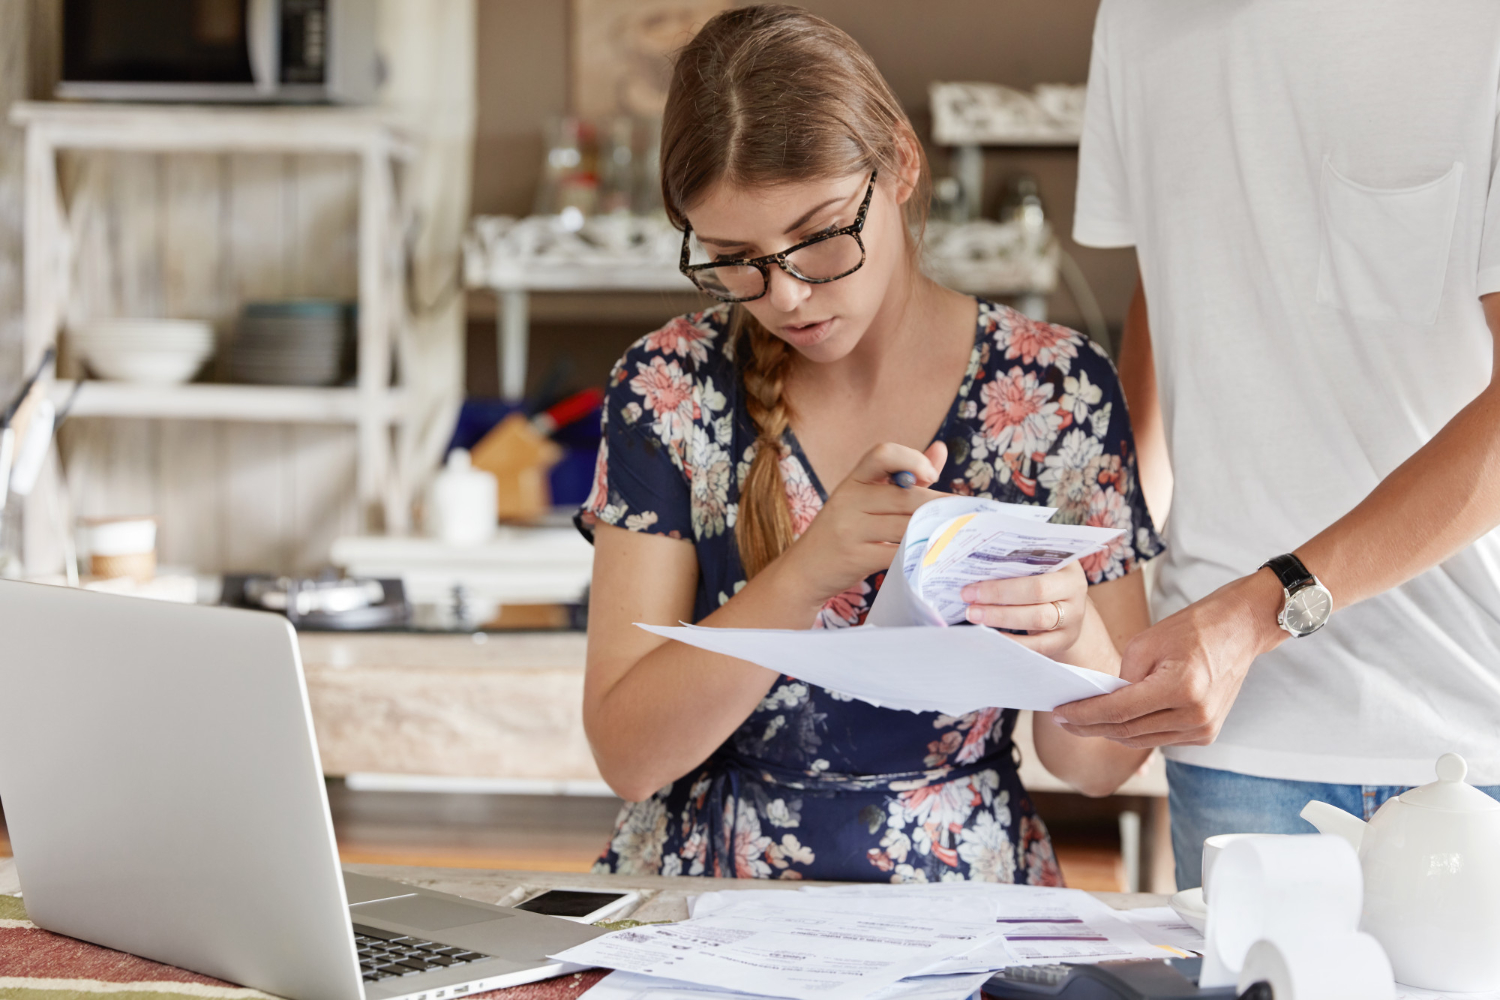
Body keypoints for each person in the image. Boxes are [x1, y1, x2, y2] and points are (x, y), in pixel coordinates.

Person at [576, 5, 1162, 882]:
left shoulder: (1057, 387)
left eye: (817, 239)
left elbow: (1099, 766)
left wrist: (1072, 639)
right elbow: (628, 757)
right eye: (736, 256)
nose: (785, 297)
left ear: (900, 164)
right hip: (704, 899)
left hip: (966, 899)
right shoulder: (670, 384)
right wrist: (804, 575)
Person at [1061, 0, 1500, 889]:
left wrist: (1252, 615)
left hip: (1467, 727)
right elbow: (1174, 286)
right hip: (1239, 740)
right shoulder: (1137, 23)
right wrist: (1117, 600)